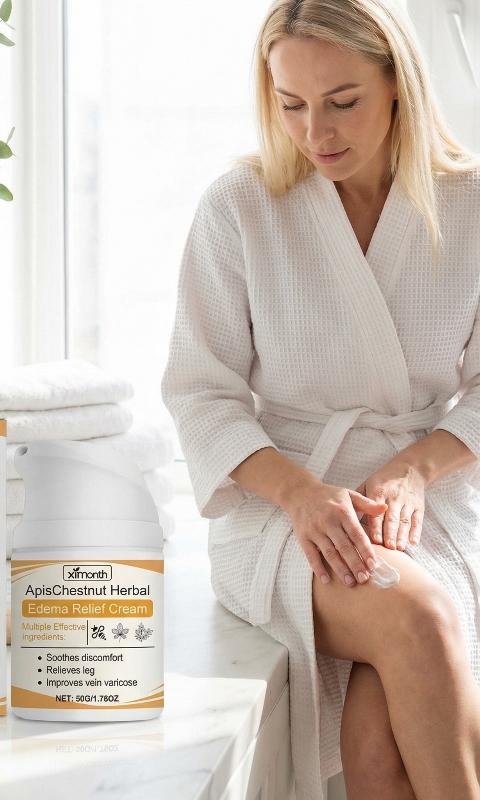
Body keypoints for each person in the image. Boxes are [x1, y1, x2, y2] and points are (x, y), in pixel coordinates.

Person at [161, 1, 480, 798]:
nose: (316, 132)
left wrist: (412, 471)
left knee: (378, 750)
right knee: (418, 619)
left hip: (429, 503)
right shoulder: (240, 206)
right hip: (279, 502)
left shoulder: (471, 203)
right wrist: (303, 496)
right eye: (291, 104)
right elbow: (201, 391)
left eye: (342, 101)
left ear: (398, 83)